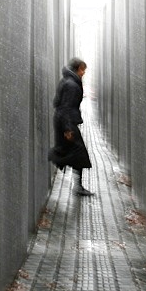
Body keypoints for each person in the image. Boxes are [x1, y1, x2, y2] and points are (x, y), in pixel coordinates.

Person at [48, 57, 94, 196]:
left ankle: (78, 185)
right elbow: (66, 107)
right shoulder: (72, 85)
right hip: (66, 122)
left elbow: (57, 102)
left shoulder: (66, 81)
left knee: (75, 152)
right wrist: (68, 128)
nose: (83, 73)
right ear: (77, 69)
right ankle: (53, 156)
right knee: (78, 152)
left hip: (63, 120)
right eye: (82, 70)